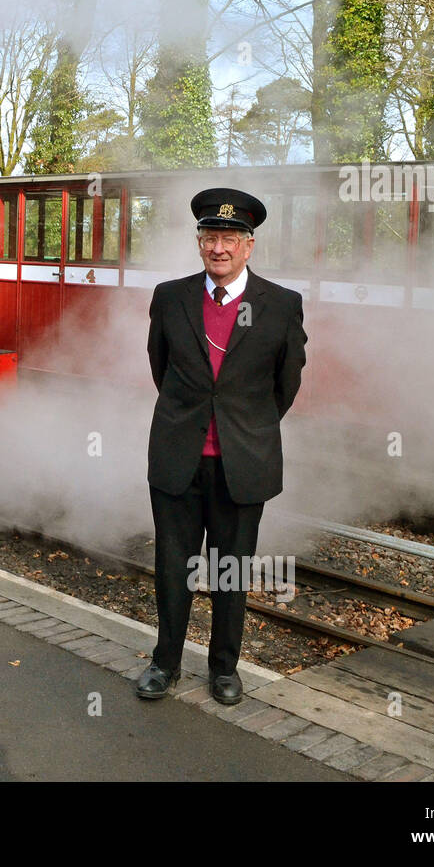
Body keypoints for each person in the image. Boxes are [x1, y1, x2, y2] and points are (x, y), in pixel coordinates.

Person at [136, 188, 307, 706]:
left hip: (242, 464)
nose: (219, 247)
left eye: (230, 237)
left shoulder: (280, 305)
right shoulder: (171, 297)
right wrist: (192, 418)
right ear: (199, 243)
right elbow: (159, 367)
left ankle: (224, 668)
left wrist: (243, 427)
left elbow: (287, 384)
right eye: (210, 236)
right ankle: (165, 663)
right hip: (177, 460)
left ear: (249, 246)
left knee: (231, 571)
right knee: (173, 566)